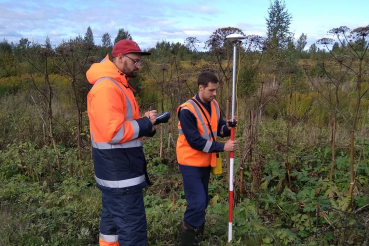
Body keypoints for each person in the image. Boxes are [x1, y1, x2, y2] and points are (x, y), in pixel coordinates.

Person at [86, 39, 157, 246]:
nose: (138, 66)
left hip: (117, 175)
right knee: (132, 232)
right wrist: (143, 124)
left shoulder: (118, 84)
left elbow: (122, 125)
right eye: (135, 61)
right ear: (120, 58)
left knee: (111, 231)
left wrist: (146, 124)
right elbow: (114, 132)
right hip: (121, 176)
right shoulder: (107, 87)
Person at [176, 71, 237, 245]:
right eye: (211, 90)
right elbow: (195, 141)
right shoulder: (187, 110)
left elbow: (216, 128)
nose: (214, 93)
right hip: (190, 163)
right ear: (201, 88)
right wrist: (222, 146)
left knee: (203, 201)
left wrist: (228, 127)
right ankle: (187, 242)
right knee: (198, 202)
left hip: (205, 163)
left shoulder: (214, 104)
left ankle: (198, 238)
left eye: (216, 90)